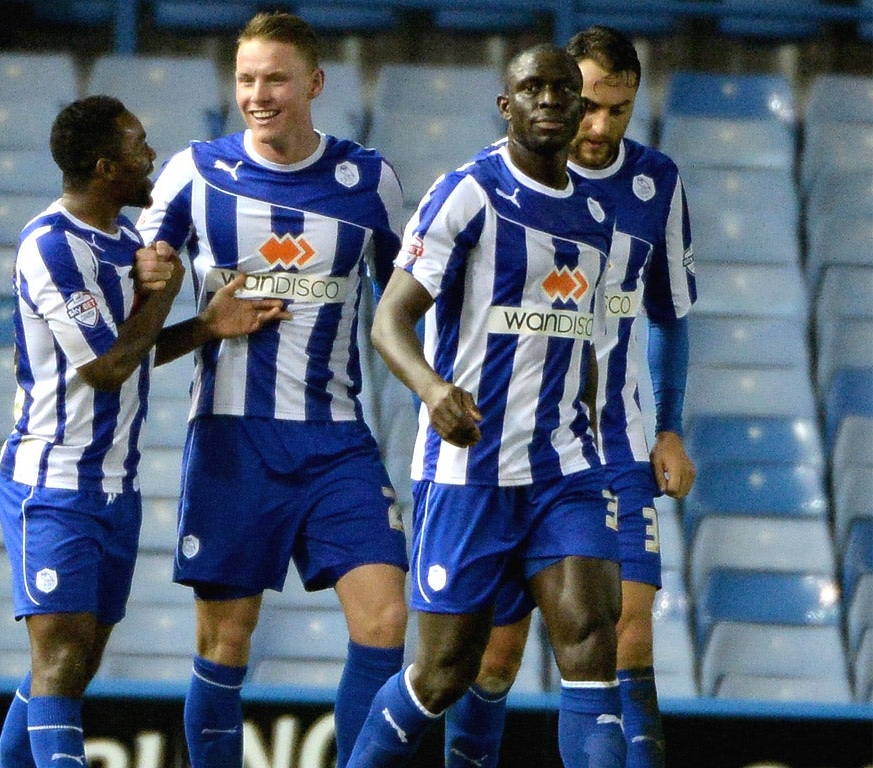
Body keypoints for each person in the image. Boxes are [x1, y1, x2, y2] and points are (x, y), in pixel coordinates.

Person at [134, 12, 410, 768]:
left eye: (276, 78)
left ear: (314, 84)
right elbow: (132, 337)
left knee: (386, 621)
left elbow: (411, 302)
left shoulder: (366, 179)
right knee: (226, 640)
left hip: (338, 443)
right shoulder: (194, 174)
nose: (258, 95)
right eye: (247, 79)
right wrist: (195, 318)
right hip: (232, 442)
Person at [344, 44, 626, 768]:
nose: (552, 101)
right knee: (445, 675)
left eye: (567, 91)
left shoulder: (598, 214)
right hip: (469, 470)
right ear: (507, 105)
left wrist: (594, 435)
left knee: (593, 646)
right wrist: (434, 391)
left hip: (565, 470)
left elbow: (585, 345)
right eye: (533, 88)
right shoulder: (468, 192)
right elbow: (389, 320)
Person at [0, 94, 287, 768]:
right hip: (53, 484)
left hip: (113, 490)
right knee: (61, 657)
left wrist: (205, 326)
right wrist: (160, 293)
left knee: (74, 661)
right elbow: (106, 367)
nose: (151, 154)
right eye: (138, 144)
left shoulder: (126, 244)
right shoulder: (50, 247)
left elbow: (136, 346)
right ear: (106, 168)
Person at [441, 26, 698, 768]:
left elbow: (670, 317)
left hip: (614, 447)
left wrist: (670, 428)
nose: (599, 126)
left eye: (618, 110)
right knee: (492, 657)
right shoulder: (499, 182)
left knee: (628, 636)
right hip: (513, 447)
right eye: (587, 105)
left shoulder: (657, 184)